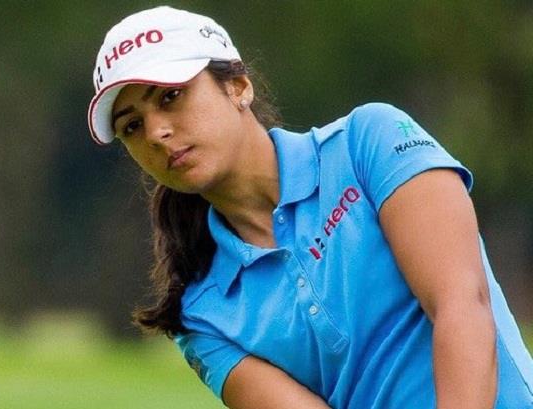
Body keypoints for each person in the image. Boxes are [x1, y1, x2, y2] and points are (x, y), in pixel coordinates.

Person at [87, 6, 533, 408]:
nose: (156, 133)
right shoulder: (201, 316)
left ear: (238, 87)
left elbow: (462, 307)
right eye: (132, 126)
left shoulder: (370, 142)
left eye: (170, 97)